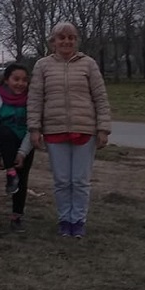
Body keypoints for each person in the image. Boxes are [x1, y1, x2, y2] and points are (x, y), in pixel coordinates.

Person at [28, 22, 111, 238]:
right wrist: (34, 128)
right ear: (53, 41)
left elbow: (100, 98)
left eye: (71, 37)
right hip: (55, 131)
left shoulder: (89, 64)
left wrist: (103, 128)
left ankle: (78, 221)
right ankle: (65, 219)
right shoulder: (42, 66)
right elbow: (35, 99)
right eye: (61, 37)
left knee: (80, 181)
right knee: (62, 180)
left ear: (76, 40)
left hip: (85, 130)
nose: (66, 41)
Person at [0, 63, 34, 232]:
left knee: (22, 180)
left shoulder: (31, 101)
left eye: (24, 80)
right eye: (16, 79)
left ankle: (17, 216)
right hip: (5, 145)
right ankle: (10, 171)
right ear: (6, 80)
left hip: (25, 144)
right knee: (3, 130)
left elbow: (33, 127)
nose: (20, 83)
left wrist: (23, 153)